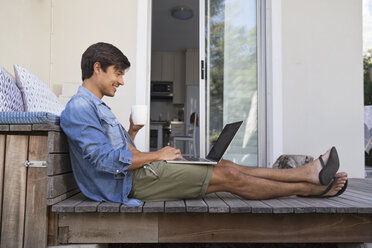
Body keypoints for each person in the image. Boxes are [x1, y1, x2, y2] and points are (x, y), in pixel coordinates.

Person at [60, 42, 348, 206]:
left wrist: (131, 133)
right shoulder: (79, 108)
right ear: (97, 68)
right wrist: (158, 155)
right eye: (117, 73)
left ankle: (308, 173)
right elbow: (103, 162)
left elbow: (116, 152)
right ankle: (308, 186)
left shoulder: (95, 106)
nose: (121, 80)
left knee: (227, 166)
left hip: (138, 174)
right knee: (231, 177)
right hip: (130, 184)